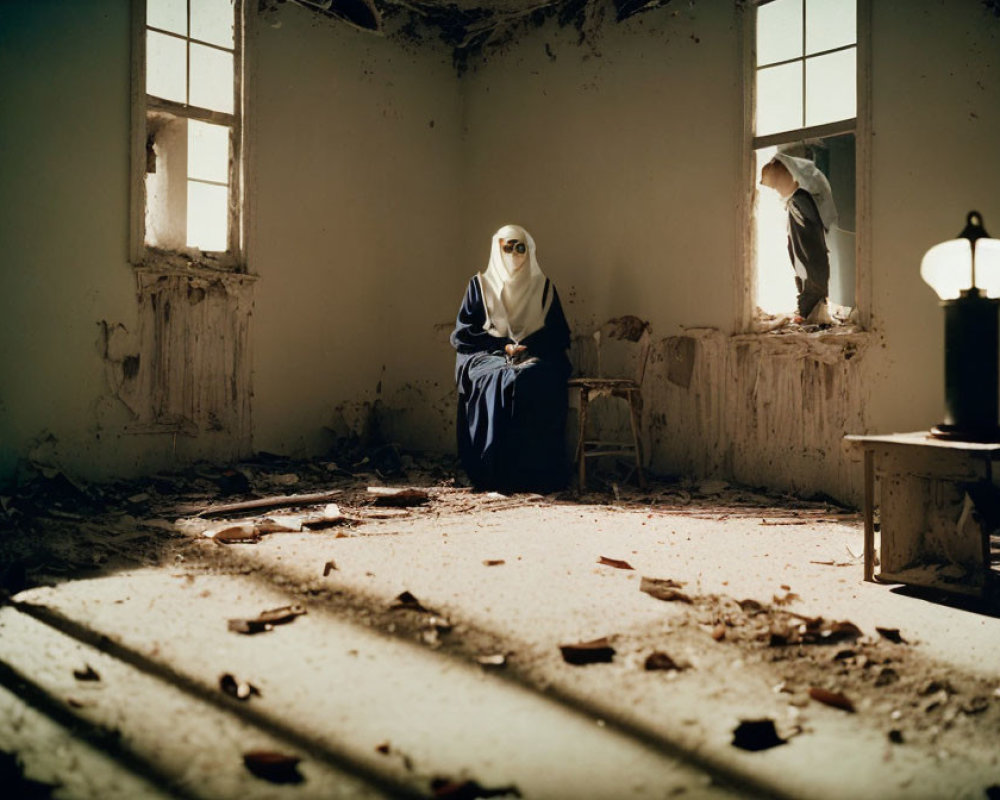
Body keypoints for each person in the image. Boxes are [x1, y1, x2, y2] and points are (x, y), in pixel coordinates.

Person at [450, 224, 571, 492]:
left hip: (533, 354)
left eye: (521, 247)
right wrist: (502, 345)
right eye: (509, 247)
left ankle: (532, 476)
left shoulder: (543, 288)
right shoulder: (480, 286)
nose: (515, 254)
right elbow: (464, 334)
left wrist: (527, 346)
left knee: (530, 377)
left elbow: (559, 335)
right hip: (485, 354)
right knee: (500, 377)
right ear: (498, 248)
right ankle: (491, 472)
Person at [760, 153, 838, 324]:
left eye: (775, 185)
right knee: (808, 280)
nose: (777, 189)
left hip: (812, 264)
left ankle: (808, 311)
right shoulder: (796, 200)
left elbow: (809, 244)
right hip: (808, 265)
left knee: (812, 283)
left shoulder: (800, 199)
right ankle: (807, 310)